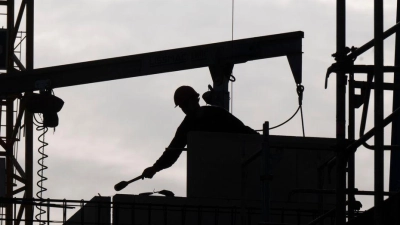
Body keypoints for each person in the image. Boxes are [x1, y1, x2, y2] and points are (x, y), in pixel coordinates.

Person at [142, 85, 258, 178]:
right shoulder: (187, 126)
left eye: (184, 105)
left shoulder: (216, 114)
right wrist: (155, 168)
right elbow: (173, 151)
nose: (184, 109)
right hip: (209, 171)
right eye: (182, 107)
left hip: (232, 165)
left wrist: (263, 143)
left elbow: (242, 130)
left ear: (194, 100)